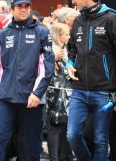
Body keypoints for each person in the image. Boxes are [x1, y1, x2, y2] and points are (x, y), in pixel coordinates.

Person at [65, 0, 116, 160]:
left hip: (103, 90)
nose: (73, 1)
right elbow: (71, 49)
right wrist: (70, 65)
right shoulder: (77, 21)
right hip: (79, 89)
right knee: (72, 135)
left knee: (101, 140)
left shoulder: (111, 18)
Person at [0, 0, 55, 161]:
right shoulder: (3, 34)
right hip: (6, 99)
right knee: (1, 139)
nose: (23, 9)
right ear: (12, 8)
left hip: (31, 100)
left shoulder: (42, 32)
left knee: (29, 144)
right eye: (19, 6)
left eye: (27, 6)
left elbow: (46, 67)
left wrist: (37, 93)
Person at [46, 22, 73, 161]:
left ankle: (64, 156)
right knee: (55, 126)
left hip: (67, 93)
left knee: (65, 126)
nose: (69, 37)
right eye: (66, 34)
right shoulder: (51, 50)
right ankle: (54, 158)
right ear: (58, 35)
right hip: (55, 93)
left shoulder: (67, 49)